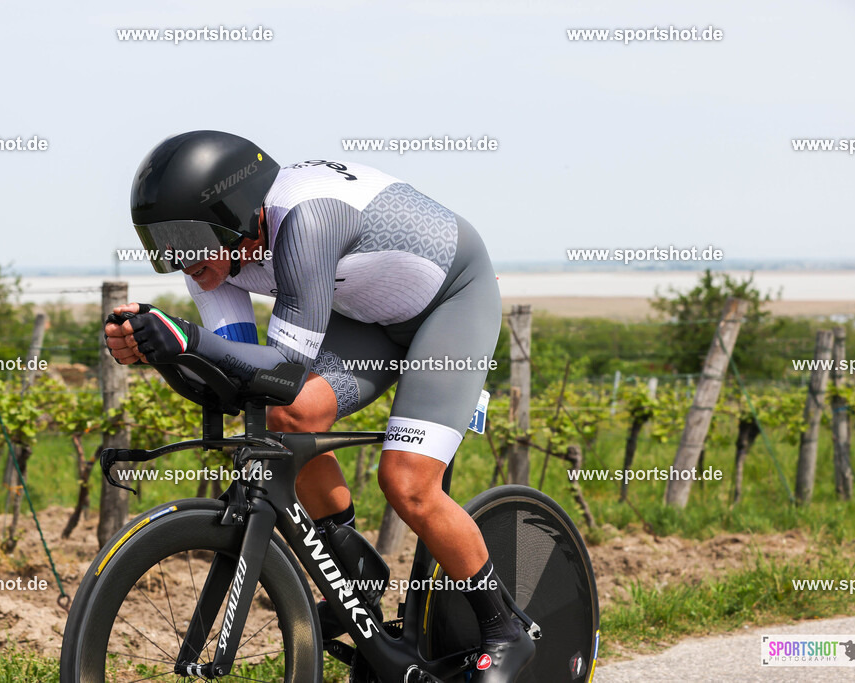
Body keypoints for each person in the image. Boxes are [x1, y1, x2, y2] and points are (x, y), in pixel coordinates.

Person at [104, 130, 533, 681]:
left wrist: (188, 338)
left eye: (186, 239)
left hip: (450, 303)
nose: (178, 260)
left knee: (407, 482)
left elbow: (281, 365)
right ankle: (355, 568)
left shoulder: (306, 222)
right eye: (163, 244)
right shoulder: (212, 263)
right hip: (368, 316)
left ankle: (504, 630)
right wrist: (162, 353)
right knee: (284, 417)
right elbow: (237, 385)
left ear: (237, 215)